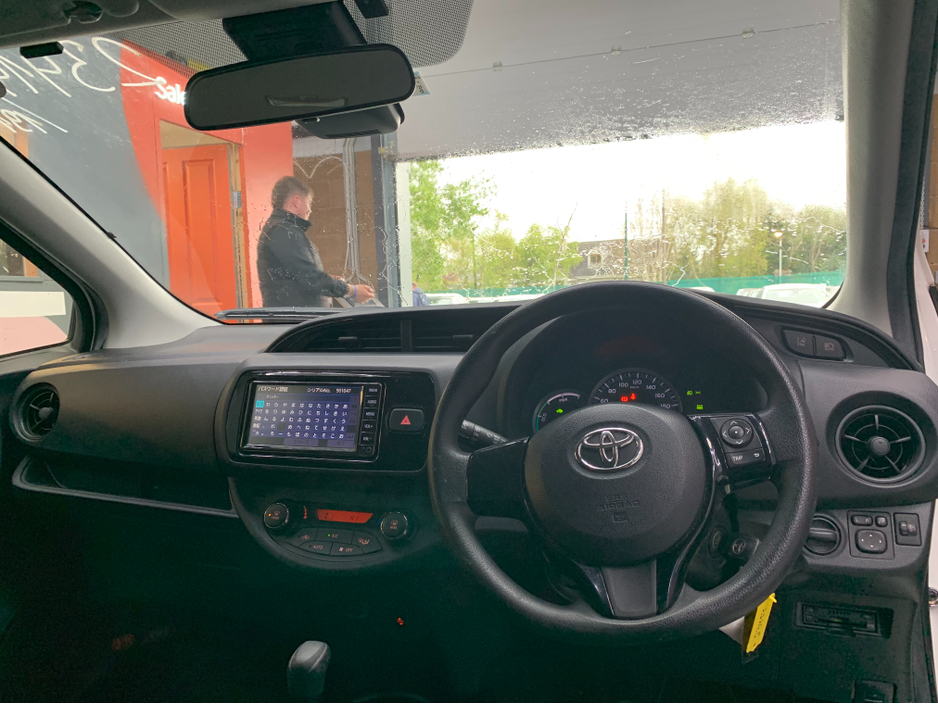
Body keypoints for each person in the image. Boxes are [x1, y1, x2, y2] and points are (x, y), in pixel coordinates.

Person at [256, 176, 374, 307]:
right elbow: (310, 277)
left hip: (295, 314)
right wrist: (351, 290)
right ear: (296, 201)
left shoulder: (281, 229)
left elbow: (296, 275)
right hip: (296, 316)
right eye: (309, 202)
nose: (310, 210)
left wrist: (330, 280)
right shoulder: (283, 231)